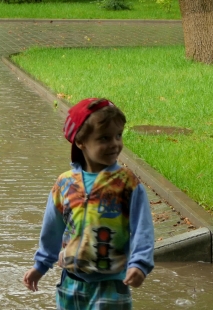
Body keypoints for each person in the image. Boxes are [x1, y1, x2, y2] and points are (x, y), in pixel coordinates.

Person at [23, 98, 155, 310]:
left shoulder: (126, 183)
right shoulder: (65, 184)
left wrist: (140, 264)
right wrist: (41, 265)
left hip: (112, 284)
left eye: (118, 135)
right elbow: (52, 230)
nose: (115, 144)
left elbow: (142, 229)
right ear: (80, 141)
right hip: (70, 283)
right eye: (104, 138)